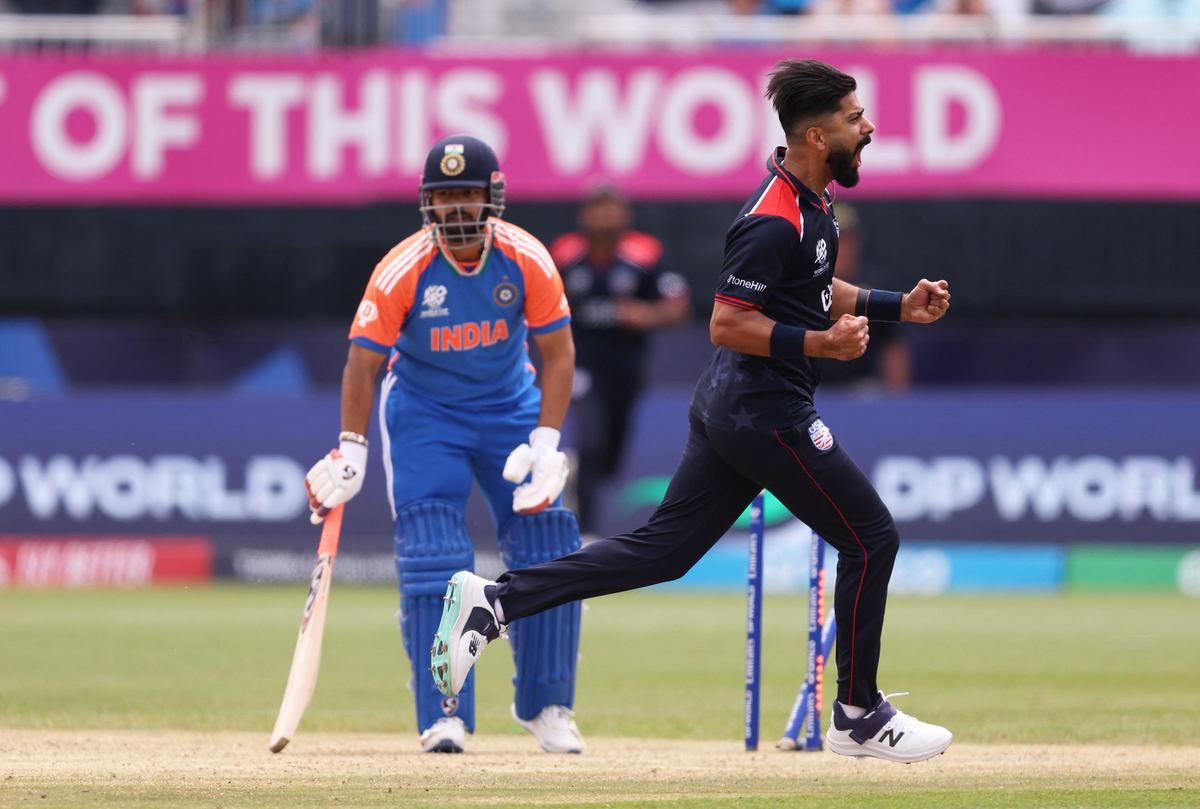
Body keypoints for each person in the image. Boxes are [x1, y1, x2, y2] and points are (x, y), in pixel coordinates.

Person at [431, 61, 954, 763]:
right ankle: (859, 712)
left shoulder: (813, 202)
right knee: (871, 538)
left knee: (664, 551)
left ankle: (493, 602)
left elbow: (813, 284)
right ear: (814, 132)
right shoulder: (771, 218)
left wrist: (896, 306)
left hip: (736, 406)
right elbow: (726, 322)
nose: (869, 129)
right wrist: (820, 344)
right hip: (762, 411)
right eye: (855, 119)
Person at [304, 134, 585, 755]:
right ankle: (445, 712)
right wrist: (351, 450)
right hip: (426, 414)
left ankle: (546, 704)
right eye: (445, 197)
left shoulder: (526, 258)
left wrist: (545, 439)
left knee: (549, 544)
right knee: (436, 555)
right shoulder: (404, 267)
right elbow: (361, 362)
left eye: (468, 195)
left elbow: (559, 352)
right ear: (427, 205)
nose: (457, 210)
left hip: (510, 407)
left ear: (494, 199)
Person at [550, 186, 691, 535]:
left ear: (626, 215)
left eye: (611, 209)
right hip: (580, 365)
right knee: (591, 439)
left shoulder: (644, 253)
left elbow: (677, 306)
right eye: (597, 209)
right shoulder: (565, 254)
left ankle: (582, 476)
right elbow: (539, 300)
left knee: (610, 457)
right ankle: (584, 536)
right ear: (583, 216)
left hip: (626, 368)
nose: (604, 217)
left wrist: (648, 314)